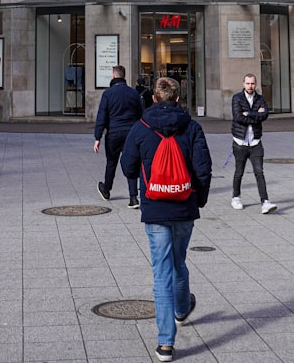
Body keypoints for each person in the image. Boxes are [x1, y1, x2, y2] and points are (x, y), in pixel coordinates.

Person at [120, 77, 212, 363]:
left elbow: (127, 166)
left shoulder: (141, 127)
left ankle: (165, 344)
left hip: (156, 208)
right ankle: (182, 310)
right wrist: (199, 200)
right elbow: (203, 169)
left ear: (155, 99)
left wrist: (142, 184)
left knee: (161, 272)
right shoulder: (193, 127)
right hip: (184, 206)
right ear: (178, 98)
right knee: (179, 262)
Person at [94, 65, 145, 208]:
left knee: (111, 162)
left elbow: (102, 116)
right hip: (131, 132)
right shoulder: (133, 93)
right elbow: (141, 114)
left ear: (113, 76)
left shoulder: (108, 94)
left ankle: (107, 190)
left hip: (114, 133)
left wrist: (97, 137)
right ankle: (133, 197)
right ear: (124, 76)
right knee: (132, 162)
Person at [230, 73, 277, 214]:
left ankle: (265, 202)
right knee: (239, 172)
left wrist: (248, 114)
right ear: (243, 84)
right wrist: (256, 114)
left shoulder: (260, 98)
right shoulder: (237, 98)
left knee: (259, 172)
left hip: (256, 142)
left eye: (252, 83)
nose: (250, 86)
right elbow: (238, 117)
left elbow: (265, 115)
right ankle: (236, 197)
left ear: (255, 84)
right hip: (240, 142)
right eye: (248, 83)